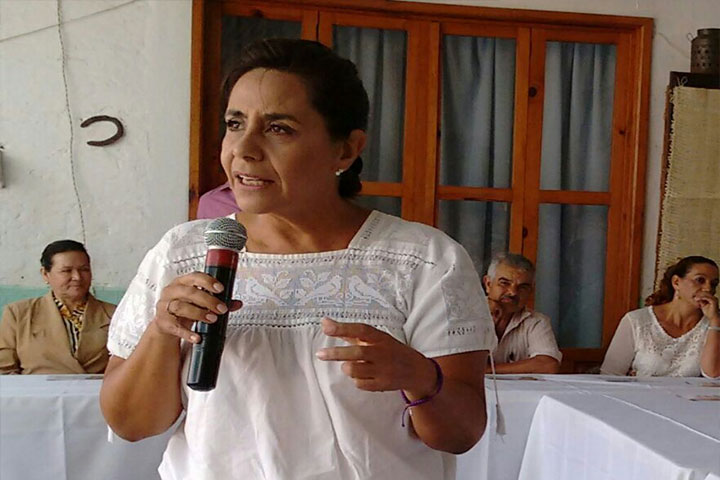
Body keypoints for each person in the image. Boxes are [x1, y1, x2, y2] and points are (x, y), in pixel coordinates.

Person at [100, 39, 496, 480]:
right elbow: (131, 424)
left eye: (278, 128)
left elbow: (461, 433)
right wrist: (161, 333)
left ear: (346, 149)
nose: (244, 149)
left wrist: (421, 377)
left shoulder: (423, 261)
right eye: (234, 123)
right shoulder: (182, 253)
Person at [0, 240, 115, 374]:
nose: (77, 277)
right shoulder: (19, 314)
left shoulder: (115, 314)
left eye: (84, 270)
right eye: (66, 271)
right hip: (36, 388)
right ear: (45, 274)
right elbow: (5, 370)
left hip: (102, 388)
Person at [601, 256, 720, 378]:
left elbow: (713, 375)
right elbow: (610, 374)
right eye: (700, 280)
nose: (708, 289)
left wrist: (715, 321)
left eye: (714, 284)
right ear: (676, 282)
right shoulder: (637, 321)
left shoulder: (714, 325)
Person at [483, 252, 562, 374]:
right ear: (488, 284)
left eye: (523, 287)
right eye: (505, 283)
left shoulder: (536, 321)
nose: (513, 292)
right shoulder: (466, 315)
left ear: (531, 290)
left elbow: (548, 365)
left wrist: (488, 370)